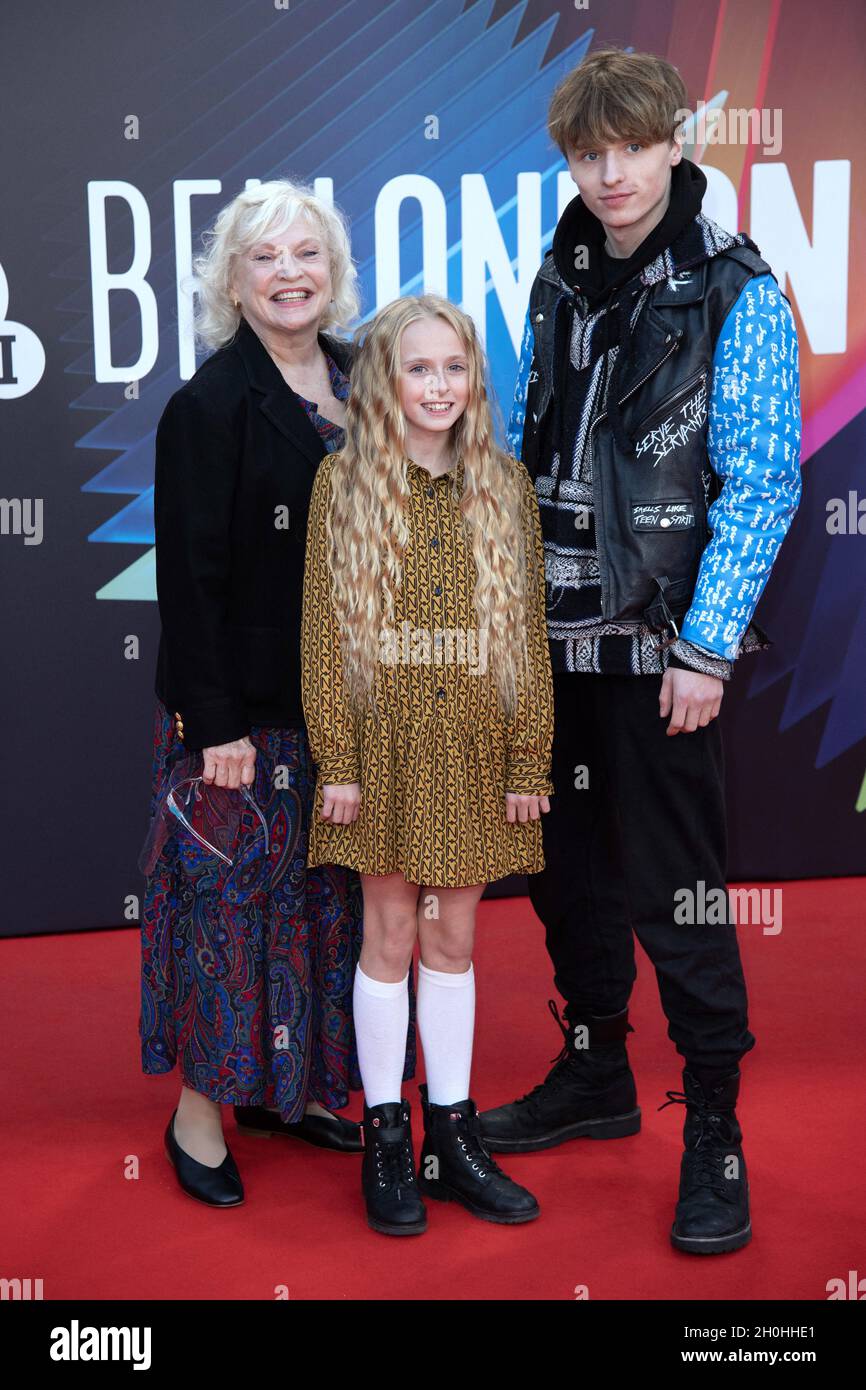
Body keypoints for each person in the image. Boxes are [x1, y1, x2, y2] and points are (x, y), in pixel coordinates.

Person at [477, 48, 802, 1255]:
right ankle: (594, 1069)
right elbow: (532, 443)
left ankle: (711, 1125)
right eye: (585, 151)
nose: (609, 174)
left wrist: (706, 650)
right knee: (567, 877)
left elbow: (762, 480)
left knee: (680, 893)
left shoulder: (735, 290)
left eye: (631, 146)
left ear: (674, 142)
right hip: (552, 647)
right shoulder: (558, 276)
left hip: (663, 649)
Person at [141, 179, 416, 1207]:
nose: (289, 272)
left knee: (325, 907)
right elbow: (190, 577)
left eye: (306, 253)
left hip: (354, 705)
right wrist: (214, 725)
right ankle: (199, 1115)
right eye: (265, 257)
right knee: (231, 914)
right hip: (248, 715)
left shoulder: (364, 374)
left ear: (334, 270)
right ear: (232, 280)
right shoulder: (206, 407)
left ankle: (291, 1084)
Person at [300, 294, 555, 1234]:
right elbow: (324, 643)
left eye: (454, 368)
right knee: (391, 934)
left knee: (454, 942)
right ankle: (385, 1133)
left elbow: (526, 633)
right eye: (418, 368)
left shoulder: (506, 485)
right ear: (386, 380)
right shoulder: (346, 485)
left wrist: (530, 755)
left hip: (478, 752)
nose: (438, 386)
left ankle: (452, 1133)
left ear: (473, 379)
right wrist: (341, 760)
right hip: (384, 751)